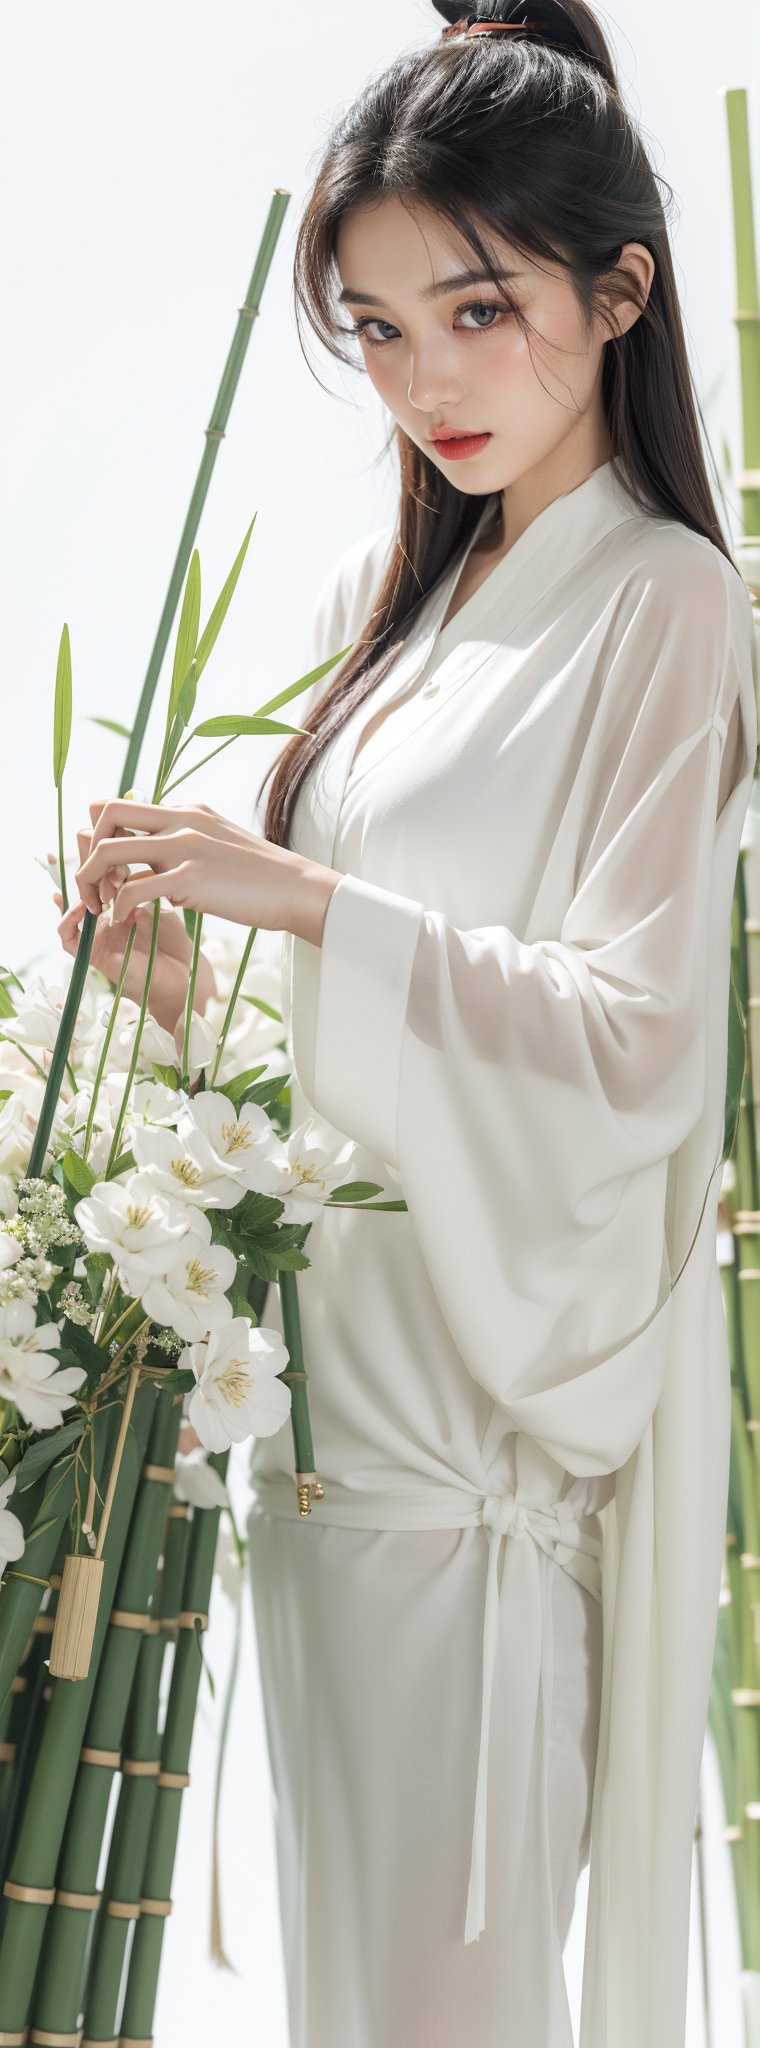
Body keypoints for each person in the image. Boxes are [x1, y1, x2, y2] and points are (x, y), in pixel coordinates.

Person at [58, 3, 758, 2043]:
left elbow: (634, 1041)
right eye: (373, 329)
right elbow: (323, 1069)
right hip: (320, 1464)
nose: (423, 377)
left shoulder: (669, 609)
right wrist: (191, 983)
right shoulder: (396, 627)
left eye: (475, 308)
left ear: (614, 291)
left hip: (467, 1479)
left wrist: (302, 891)